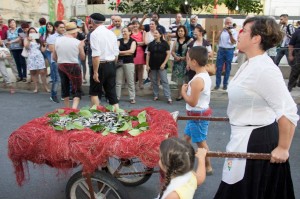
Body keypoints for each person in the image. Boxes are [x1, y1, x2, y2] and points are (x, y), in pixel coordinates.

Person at [214, 16, 299, 199]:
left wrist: (283, 148)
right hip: (242, 136)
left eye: (244, 30)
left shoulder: (264, 69)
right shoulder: (250, 63)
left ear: (256, 38)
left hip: (256, 140)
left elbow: (288, 110)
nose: (239, 33)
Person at [181, 46, 213, 175]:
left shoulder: (198, 80)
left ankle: (208, 166)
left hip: (197, 116)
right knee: (186, 138)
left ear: (194, 62)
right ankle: (179, 159)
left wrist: (183, 92)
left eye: (188, 59)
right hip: (196, 115)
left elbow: (192, 102)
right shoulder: (202, 75)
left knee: (201, 143)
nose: (187, 61)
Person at [89, 13, 119, 109]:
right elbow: (116, 53)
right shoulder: (111, 33)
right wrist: (112, 65)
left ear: (92, 21)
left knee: (94, 93)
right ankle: (118, 115)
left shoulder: (94, 34)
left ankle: (97, 115)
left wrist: (95, 71)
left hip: (100, 65)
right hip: (111, 64)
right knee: (112, 94)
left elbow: (96, 55)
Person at [53, 22, 85, 109]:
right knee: (77, 88)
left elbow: (54, 57)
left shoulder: (57, 40)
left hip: (61, 64)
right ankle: (74, 108)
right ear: (74, 33)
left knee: (65, 87)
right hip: (73, 65)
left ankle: (67, 108)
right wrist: (82, 47)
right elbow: (82, 57)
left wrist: (60, 60)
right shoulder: (77, 42)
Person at [146, 28, 172, 104]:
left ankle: (168, 96)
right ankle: (156, 94)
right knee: (154, 81)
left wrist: (164, 63)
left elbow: (168, 54)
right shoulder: (151, 44)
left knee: (164, 81)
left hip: (162, 66)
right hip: (153, 65)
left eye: (156, 33)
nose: (154, 34)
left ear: (160, 35)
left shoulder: (165, 43)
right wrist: (147, 65)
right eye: (154, 33)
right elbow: (148, 55)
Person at [214, 17, 238, 90]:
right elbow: (216, 38)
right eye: (227, 22)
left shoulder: (234, 31)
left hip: (229, 50)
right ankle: (217, 84)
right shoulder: (222, 30)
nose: (228, 24)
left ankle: (225, 84)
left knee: (228, 68)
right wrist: (221, 31)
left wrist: (230, 33)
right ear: (224, 23)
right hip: (221, 50)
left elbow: (234, 42)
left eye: (230, 22)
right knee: (219, 68)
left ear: (232, 23)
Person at [24, 27, 49, 93]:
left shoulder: (38, 39)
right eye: (31, 32)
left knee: (42, 72)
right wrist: (29, 40)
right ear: (28, 33)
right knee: (33, 72)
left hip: (39, 56)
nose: (32, 33)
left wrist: (45, 46)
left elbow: (42, 50)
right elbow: (26, 47)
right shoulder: (26, 39)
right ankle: (36, 87)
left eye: (33, 31)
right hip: (31, 56)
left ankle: (45, 87)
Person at [116, 27, 137, 104]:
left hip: (129, 63)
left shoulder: (133, 41)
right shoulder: (119, 40)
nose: (123, 33)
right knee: (118, 82)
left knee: (130, 81)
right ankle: (117, 97)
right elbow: (116, 50)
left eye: (125, 31)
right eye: (123, 31)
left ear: (130, 32)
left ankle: (132, 97)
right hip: (119, 63)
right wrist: (126, 52)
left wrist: (120, 52)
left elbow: (132, 51)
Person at [171, 25, 192, 101]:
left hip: (186, 62)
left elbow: (191, 52)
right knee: (179, 80)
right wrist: (175, 56)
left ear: (185, 32)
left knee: (186, 79)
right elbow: (172, 51)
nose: (180, 32)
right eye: (179, 31)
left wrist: (184, 58)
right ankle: (180, 94)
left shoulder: (189, 40)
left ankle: (186, 94)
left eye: (182, 31)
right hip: (178, 63)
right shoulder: (176, 41)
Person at [46, 21, 65, 103]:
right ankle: (53, 95)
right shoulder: (52, 37)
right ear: (56, 28)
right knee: (57, 79)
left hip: (64, 60)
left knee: (64, 79)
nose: (63, 29)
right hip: (56, 61)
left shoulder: (65, 36)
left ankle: (64, 95)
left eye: (64, 27)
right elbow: (51, 49)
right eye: (61, 27)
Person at [131, 20, 145, 89]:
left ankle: (140, 83)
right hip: (133, 51)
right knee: (133, 68)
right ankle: (133, 84)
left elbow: (144, 42)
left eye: (137, 24)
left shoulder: (142, 32)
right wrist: (138, 43)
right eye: (134, 24)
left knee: (140, 68)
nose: (135, 25)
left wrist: (135, 43)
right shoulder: (130, 33)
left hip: (140, 51)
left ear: (139, 25)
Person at [287, 27, 300, 91]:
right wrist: (290, 55)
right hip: (298, 53)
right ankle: (290, 86)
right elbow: (291, 45)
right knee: (295, 70)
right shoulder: (297, 32)